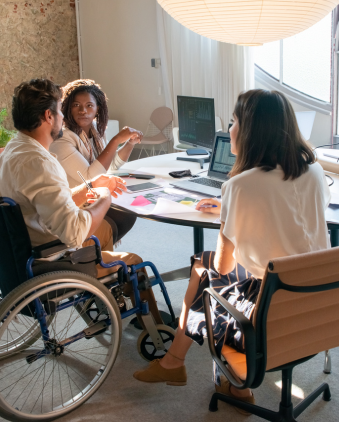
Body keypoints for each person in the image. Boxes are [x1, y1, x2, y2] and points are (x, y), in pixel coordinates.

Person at [133, 89, 330, 413]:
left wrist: (231, 213)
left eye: (234, 121)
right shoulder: (314, 171)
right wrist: (236, 212)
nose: (229, 129)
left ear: (251, 130)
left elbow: (224, 265)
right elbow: (296, 223)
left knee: (205, 269)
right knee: (205, 267)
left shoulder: (240, 186)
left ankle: (183, 364)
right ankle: (191, 368)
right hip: (317, 299)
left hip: (271, 304)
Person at [0, 78, 163, 324]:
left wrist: (91, 186)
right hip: (50, 259)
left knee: (112, 222)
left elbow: (48, 200)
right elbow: (74, 232)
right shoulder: (41, 162)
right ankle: (156, 330)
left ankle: (111, 299)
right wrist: (103, 196)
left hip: (17, 249)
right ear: (49, 116)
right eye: (62, 110)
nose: (64, 116)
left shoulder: (14, 149)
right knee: (134, 261)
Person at [50, 79, 142, 245]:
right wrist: (116, 140)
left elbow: (110, 165)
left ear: (98, 109)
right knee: (123, 210)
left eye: (89, 106)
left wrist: (129, 143)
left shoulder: (94, 132)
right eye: (76, 105)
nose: (83, 111)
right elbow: (91, 176)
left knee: (129, 206)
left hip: (91, 197)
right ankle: (94, 254)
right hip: (74, 206)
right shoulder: (62, 139)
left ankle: (100, 253)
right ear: (68, 107)